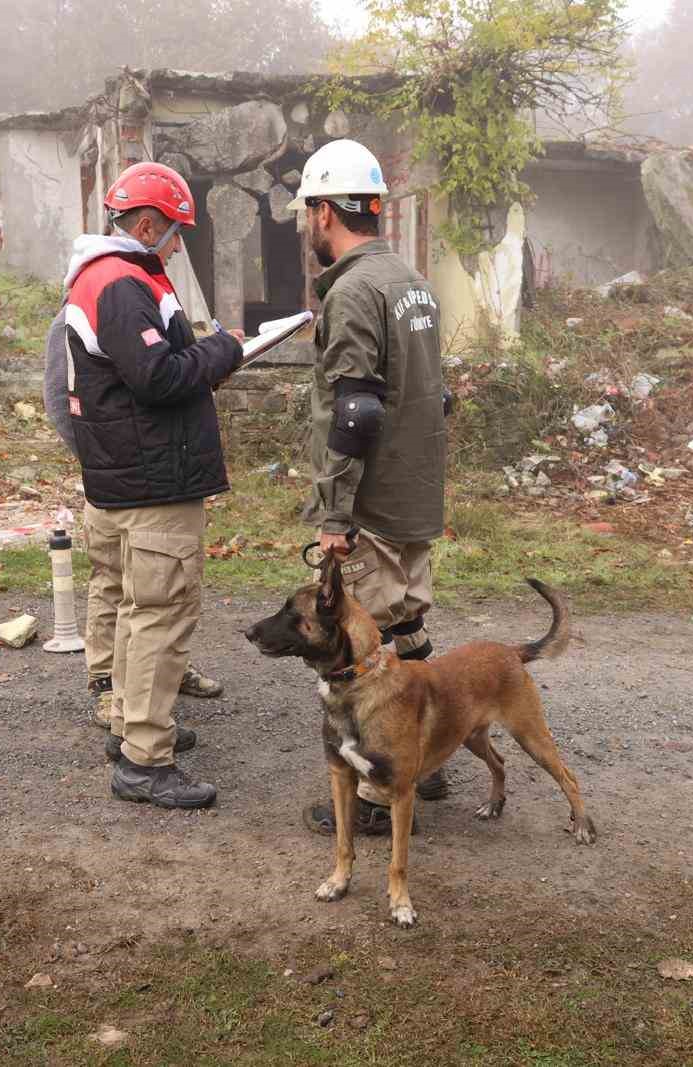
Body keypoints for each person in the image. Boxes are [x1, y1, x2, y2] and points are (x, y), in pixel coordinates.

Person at [59, 161, 243, 810]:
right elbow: (158, 377)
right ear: (145, 223)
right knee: (160, 616)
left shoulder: (99, 276)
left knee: (138, 610)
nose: (175, 245)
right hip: (153, 485)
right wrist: (226, 351)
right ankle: (145, 759)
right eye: (173, 234)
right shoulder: (121, 284)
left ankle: (135, 726)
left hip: (122, 478)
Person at [290, 139, 451, 836]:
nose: (307, 226)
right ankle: (427, 759)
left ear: (326, 211)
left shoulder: (354, 290)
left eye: (308, 212)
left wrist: (335, 513)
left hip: (376, 498)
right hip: (416, 492)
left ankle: (387, 789)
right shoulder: (410, 280)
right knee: (409, 625)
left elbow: (354, 411)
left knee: (370, 637)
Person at [45, 313, 228, 733]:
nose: (178, 248)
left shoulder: (151, 298)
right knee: (114, 580)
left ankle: (160, 675)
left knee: (154, 591)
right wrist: (102, 458)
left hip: (152, 474)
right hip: (116, 475)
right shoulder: (80, 312)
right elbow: (58, 399)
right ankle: (107, 686)